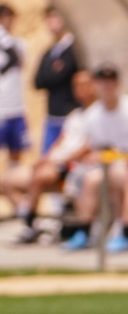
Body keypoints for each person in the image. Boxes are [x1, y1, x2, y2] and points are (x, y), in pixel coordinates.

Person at [15, 69, 96, 245]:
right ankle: (37, 221)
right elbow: (61, 140)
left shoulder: (97, 114)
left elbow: (90, 145)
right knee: (10, 181)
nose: (80, 89)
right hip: (60, 161)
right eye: (76, 86)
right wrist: (46, 159)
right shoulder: (75, 115)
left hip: (74, 164)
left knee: (40, 177)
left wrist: (62, 160)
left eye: (84, 85)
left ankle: (30, 221)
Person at [60, 64, 128, 253]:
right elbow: (92, 146)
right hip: (104, 165)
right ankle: (84, 231)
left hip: (122, 165)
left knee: (123, 177)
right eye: (103, 82)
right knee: (89, 180)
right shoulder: (92, 115)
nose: (107, 86)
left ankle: (124, 232)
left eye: (110, 82)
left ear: (117, 84)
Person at [0, 1, 29, 201]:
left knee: (16, 154)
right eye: (0, 19)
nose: (5, 22)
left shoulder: (18, 45)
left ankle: (14, 195)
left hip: (16, 107)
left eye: (8, 18)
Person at [34, 8, 81, 157]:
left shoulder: (74, 48)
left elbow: (62, 76)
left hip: (70, 115)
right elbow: (38, 81)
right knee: (47, 159)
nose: (51, 22)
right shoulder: (50, 52)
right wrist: (53, 72)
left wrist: (52, 74)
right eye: (48, 18)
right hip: (52, 116)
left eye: (55, 17)